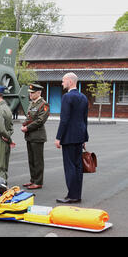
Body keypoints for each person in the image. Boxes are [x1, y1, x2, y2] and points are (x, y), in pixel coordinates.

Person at [55, 72, 88, 204]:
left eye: (63, 81)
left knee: (69, 167)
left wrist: (58, 137)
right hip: (80, 136)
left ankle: (71, 196)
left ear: (70, 81)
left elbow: (64, 120)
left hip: (69, 137)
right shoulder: (84, 97)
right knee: (78, 167)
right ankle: (77, 195)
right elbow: (84, 120)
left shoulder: (67, 97)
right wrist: (85, 138)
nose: (62, 83)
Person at [21, 84, 50, 190]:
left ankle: (38, 181)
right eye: (29, 92)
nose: (30, 94)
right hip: (30, 136)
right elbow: (29, 117)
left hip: (37, 135)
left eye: (32, 93)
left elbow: (40, 120)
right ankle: (33, 179)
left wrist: (27, 128)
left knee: (38, 160)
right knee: (31, 159)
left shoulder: (43, 105)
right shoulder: (31, 104)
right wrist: (24, 124)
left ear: (38, 93)